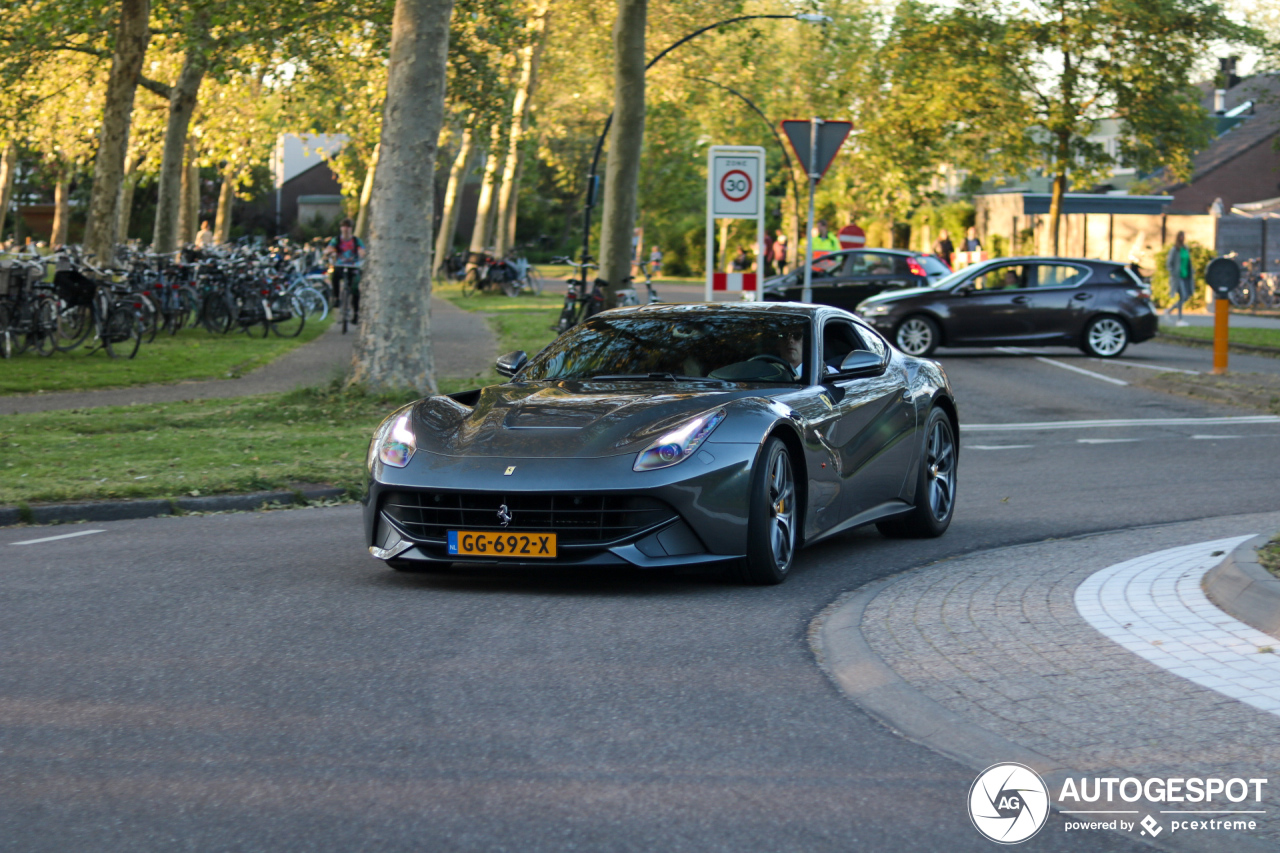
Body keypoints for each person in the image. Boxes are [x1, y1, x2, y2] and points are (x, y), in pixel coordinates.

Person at [325, 218, 366, 322]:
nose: (345, 229)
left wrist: (361, 253)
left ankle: (356, 312)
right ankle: (337, 299)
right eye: (343, 226)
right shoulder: (337, 240)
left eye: (347, 226)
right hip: (340, 265)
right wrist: (330, 252)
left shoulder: (356, 240)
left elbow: (362, 250)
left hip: (353, 266)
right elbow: (328, 248)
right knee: (334, 277)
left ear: (351, 228)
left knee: (355, 288)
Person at [1165, 231, 1193, 326]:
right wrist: (1173, 273)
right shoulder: (1175, 249)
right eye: (1180, 236)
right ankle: (1179, 318)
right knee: (1183, 296)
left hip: (1186, 276)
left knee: (1185, 297)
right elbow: (1169, 263)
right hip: (1178, 277)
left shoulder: (1185, 249)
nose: (1182, 238)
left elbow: (1188, 262)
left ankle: (1170, 311)